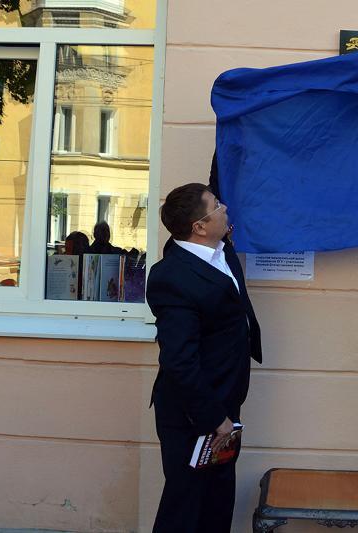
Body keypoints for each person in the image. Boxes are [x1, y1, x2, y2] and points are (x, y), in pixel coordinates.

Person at [146, 183, 262, 532]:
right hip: (193, 411)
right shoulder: (172, 276)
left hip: (225, 399)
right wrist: (214, 418)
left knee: (217, 501)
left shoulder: (221, 250)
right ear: (199, 226)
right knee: (185, 507)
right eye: (216, 206)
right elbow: (179, 361)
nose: (224, 208)